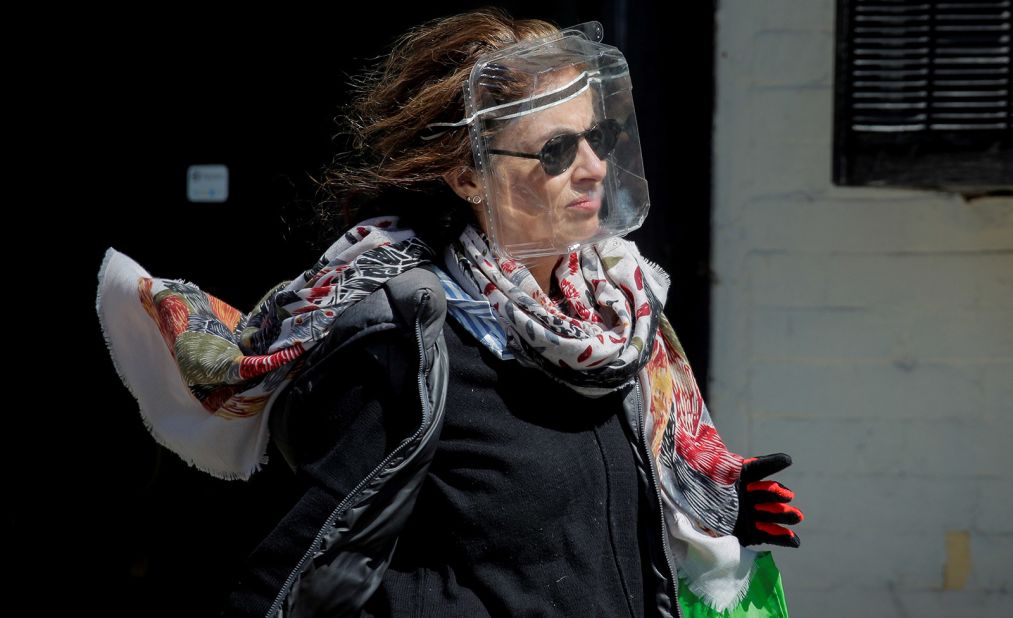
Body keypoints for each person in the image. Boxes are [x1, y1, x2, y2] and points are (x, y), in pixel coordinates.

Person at [96, 8, 803, 617]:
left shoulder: (613, 317)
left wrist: (695, 501)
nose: (592, 167)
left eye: (597, 137)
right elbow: (298, 566)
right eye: (556, 150)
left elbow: (574, 534)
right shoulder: (403, 335)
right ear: (467, 176)